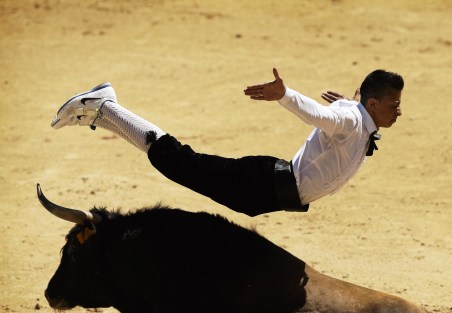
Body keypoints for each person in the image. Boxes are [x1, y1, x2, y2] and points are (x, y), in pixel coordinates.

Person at [51, 68, 403, 216]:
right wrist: (286, 95)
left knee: (184, 167)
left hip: (268, 194)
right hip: (263, 182)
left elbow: (345, 123)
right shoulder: (352, 120)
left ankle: (106, 110)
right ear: (373, 104)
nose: (398, 111)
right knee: (181, 163)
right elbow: (321, 117)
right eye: (394, 104)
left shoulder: (359, 120)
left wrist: (350, 107)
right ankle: (106, 108)